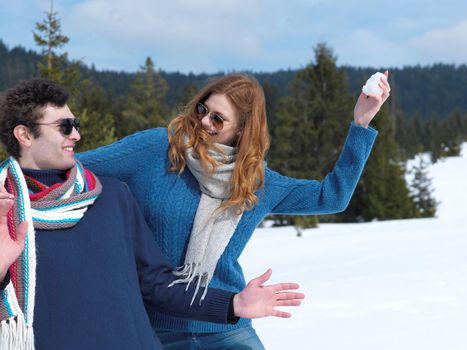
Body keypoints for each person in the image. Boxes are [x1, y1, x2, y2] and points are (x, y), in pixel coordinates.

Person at [78, 72, 391, 349]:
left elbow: (331, 196)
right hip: (155, 328)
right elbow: (77, 167)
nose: (203, 121)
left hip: (226, 328)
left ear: (241, 131)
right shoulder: (156, 149)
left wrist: (361, 124)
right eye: (203, 109)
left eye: (218, 119)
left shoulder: (259, 182)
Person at [0, 79, 305, 350]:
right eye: (64, 127)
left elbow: (158, 284)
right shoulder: (6, 211)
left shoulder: (111, 198)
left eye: (76, 124)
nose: (77, 135)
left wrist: (232, 302)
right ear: (24, 135)